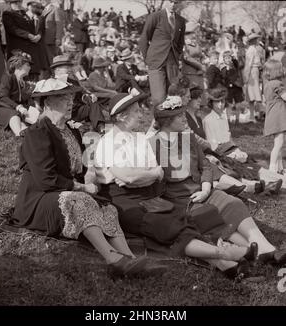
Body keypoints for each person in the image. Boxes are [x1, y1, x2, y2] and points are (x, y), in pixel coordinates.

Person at [93, 90, 267, 280]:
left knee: (185, 220)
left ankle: (229, 267)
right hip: (124, 201)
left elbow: (156, 172)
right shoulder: (108, 142)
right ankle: (225, 255)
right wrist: (142, 175)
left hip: (150, 195)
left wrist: (143, 174)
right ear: (121, 116)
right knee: (167, 226)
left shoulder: (139, 139)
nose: (141, 114)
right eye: (136, 111)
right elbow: (127, 178)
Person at [9, 77, 166, 278]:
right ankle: (114, 261)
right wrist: (83, 188)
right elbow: (46, 180)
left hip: (65, 192)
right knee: (81, 200)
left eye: (70, 98)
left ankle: (130, 259)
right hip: (39, 199)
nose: (70, 103)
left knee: (107, 207)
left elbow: (81, 169)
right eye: (63, 98)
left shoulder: (72, 130)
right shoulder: (37, 132)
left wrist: (91, 177)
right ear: (47, 103)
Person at [150, 95, 286, 267]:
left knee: (233, 202)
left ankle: (265, 249)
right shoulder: (151, 145)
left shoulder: (188, 138)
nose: (184, 118)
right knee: (209, 215)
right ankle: (261, 251)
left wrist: (206, 189)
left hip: (203, 190)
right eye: (179, 116)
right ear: (167, 121)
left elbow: (206, 167)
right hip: (181, 201)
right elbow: (152, 183)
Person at [139, 0, 185, 106]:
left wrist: (177, 56)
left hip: (172, 63)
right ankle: (158, 121)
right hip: (156, 62)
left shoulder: (181, 21)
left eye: (176, 2)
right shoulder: (155, 17)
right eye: (171, 1)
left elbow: (180, 42)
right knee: (159, 99)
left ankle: (166, 122)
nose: (173, 5)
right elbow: (144, 39)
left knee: (173, 98)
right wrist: (147, 59)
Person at [50, 54, 105, 132]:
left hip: (75, 111)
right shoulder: (50, 83)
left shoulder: (73, 81)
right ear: (57, 69)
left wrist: (88, 96)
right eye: (66, 67)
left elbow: (81, 93)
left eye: (69, 67)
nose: (69, 69)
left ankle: (100, 127)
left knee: (93, 102)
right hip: (61, 113)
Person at [0, 52, 32, 136]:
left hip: (12, 110)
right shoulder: (8, 77)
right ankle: (19, 134)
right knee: (14, 114)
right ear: (19, 66)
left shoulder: (23, 83)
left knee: (22, 119)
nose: (30, 67)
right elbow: (3, 97)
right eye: (28, 65)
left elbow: (23, 100)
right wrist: (18, 107)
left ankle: (25, 133)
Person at [263, 59, 286, 175]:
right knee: (279, 144)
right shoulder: (278, 84)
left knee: (278, 143)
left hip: (271, 116)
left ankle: (280, 168)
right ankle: (272, 169)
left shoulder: (267, 85)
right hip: (279, 118)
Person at [243, 33, 263, 122]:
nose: (258, 40)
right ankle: (253, 115)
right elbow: (248, 64)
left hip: (254, 70)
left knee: (254, 94)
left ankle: (256, 114)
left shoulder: (253, 49)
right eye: (256, 39)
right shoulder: (251, 49)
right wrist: (246, 76)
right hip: (252, 71)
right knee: (252, 94)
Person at [221, 50, 244, 123]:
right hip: (228, 88)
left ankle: (237, 119)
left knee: (238, 104)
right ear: (224, 60)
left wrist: (233, 58)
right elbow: (223, 78)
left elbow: (237, 63)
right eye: (226, 58)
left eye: (229, 58)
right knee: (229, 104)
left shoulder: (235, 66)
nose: (228, 60)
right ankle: (228, 119)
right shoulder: (223, 69)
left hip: (237, 87)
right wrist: (227, 69)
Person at [40, 0, 64, 64]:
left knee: (53, 60)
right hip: (43, 39)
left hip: (52, 39)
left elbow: (59, 24)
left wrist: (58, 38)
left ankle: (55, 73)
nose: (42, 1)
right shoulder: (42, 11)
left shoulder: (55, 9)